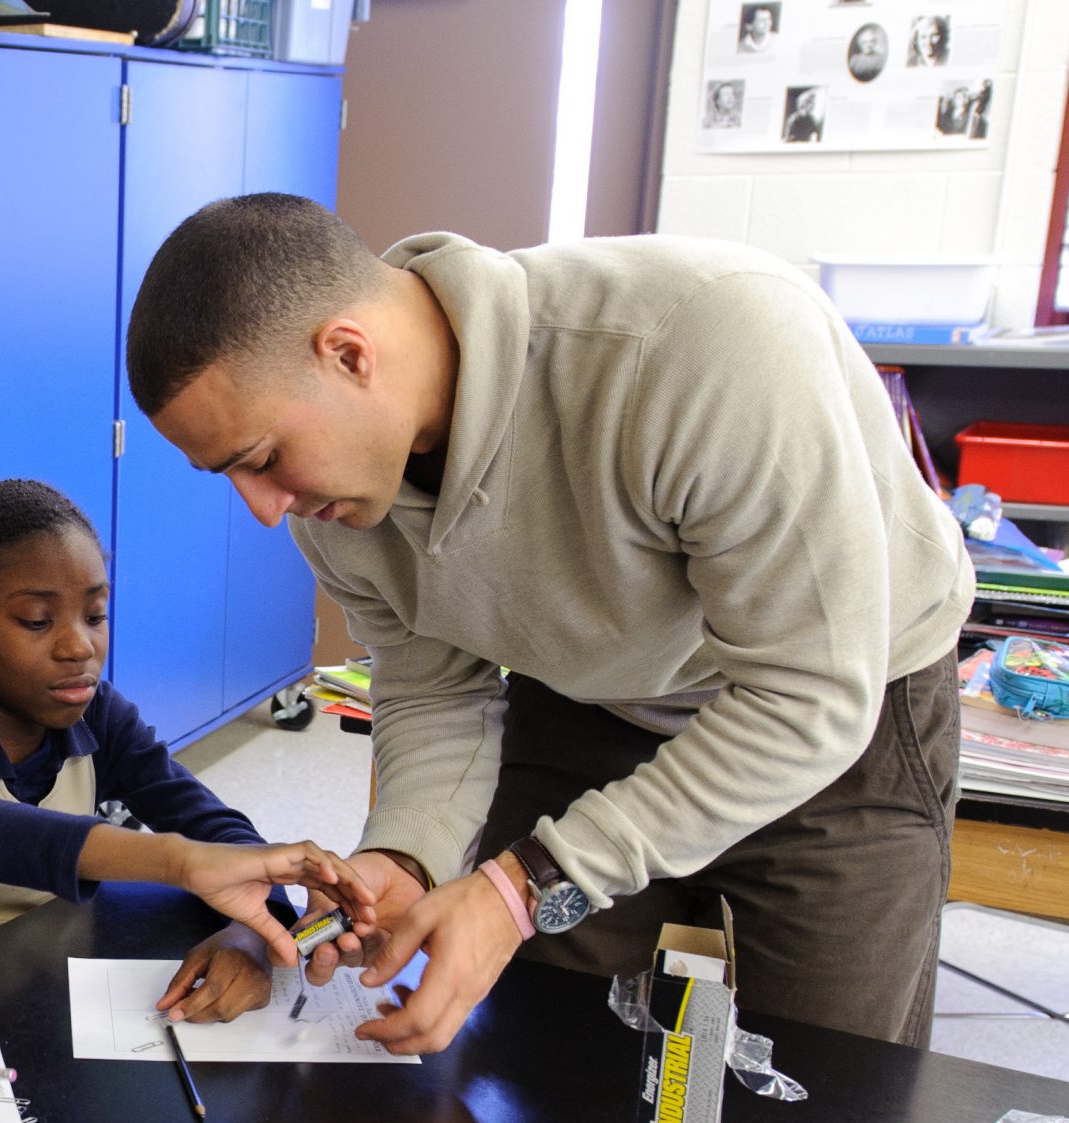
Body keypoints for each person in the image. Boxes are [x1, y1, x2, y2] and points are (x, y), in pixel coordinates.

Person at [123, 194, 970, 1053]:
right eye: (231, 474)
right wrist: (408, 860)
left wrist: (525, 887)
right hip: (587, 697)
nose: (266, 510)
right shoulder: (333, 499)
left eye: (263, 459)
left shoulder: (700, 346)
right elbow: (432, 692)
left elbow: (808, 696)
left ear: (349, 354)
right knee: (546, 1061)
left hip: (835, 721)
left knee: (821, 1089)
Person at [0, 477, 370, 1017]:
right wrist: (175, 861)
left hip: (46, 1005)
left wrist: (251, 936)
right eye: (37, 621)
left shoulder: (99, 719)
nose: (79, 646)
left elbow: (224, 838)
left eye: (94, 615)